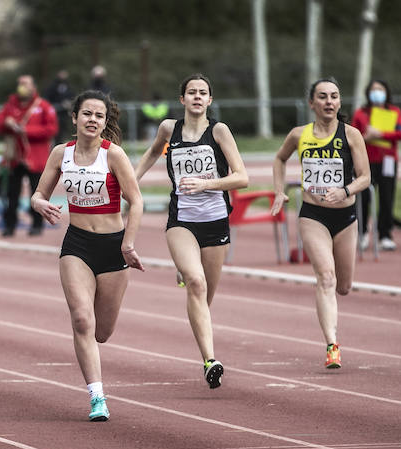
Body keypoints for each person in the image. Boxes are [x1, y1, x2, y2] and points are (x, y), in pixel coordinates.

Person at [30, 90, 143, 421]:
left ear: (105, 122)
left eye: (99, 116)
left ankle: (91, 353)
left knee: (101, 332)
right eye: (87, 114)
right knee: (81, 319)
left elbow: (136, 201)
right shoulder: (60, 154)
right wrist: (38, 203)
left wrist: (128, 243)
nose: (93, 120)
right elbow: (39, 193)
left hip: (112, 247)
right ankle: (97, 396)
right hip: (76, 245)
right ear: (75, 118)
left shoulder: (114, 155)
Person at [133, 74, 248, 388]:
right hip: (182, 220)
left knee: (205, 297)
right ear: (182, 99)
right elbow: (153, 152)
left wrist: (207, 184)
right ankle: (210, 360)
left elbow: (242, 177)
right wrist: (131, 181)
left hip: (215, 222)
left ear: (210, 100)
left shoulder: (219, 131)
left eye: (203, 93)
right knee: (195, 284)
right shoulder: (169, 129)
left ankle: (188, 269)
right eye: (191, 92)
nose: (197, 97)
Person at [269, 78, 371, 369]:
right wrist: (279, 191)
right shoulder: (299, 134)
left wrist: (345, 190)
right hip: (313, 215)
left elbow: (365, 177)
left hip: (345, 216)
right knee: (325, 277)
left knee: (344, 286)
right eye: (323, 97)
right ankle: (332, 345)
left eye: (334, 97)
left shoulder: (351, 135)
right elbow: (279, 159)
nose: (329, 102)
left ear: (339, 102)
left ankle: (333, 323)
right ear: (312, 103)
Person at [0, 74, 59, 237]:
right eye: (20, 84)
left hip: (36, 159)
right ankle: (10, 226)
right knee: (11, 195)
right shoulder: (10, 105)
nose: (22, 86)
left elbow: (51, 129)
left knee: (38, 193)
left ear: (33, 86)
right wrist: (6, 123)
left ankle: (37, 225)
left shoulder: (43, 106)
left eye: (25, 83)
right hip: (15, 159)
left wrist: (27, 131)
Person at [350, 79, 401, 251]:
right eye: (374, 90)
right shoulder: (361, 113)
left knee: (387, 197)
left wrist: (381, 134)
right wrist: (366, 137)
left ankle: (385, 235)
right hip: (365, 161)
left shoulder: (395, 111)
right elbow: (353, 135)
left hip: (388, 161)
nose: (377, 93)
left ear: (386, 92)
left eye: (380, 89)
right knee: (363, 198)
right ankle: (362, 233)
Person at [44, 70, 75, 138]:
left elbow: (72, 96)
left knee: (62, 130)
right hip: (54, 111)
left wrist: (69, 103)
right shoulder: (52, 86)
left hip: (64, 113)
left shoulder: (68, 86)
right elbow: (47, 98)